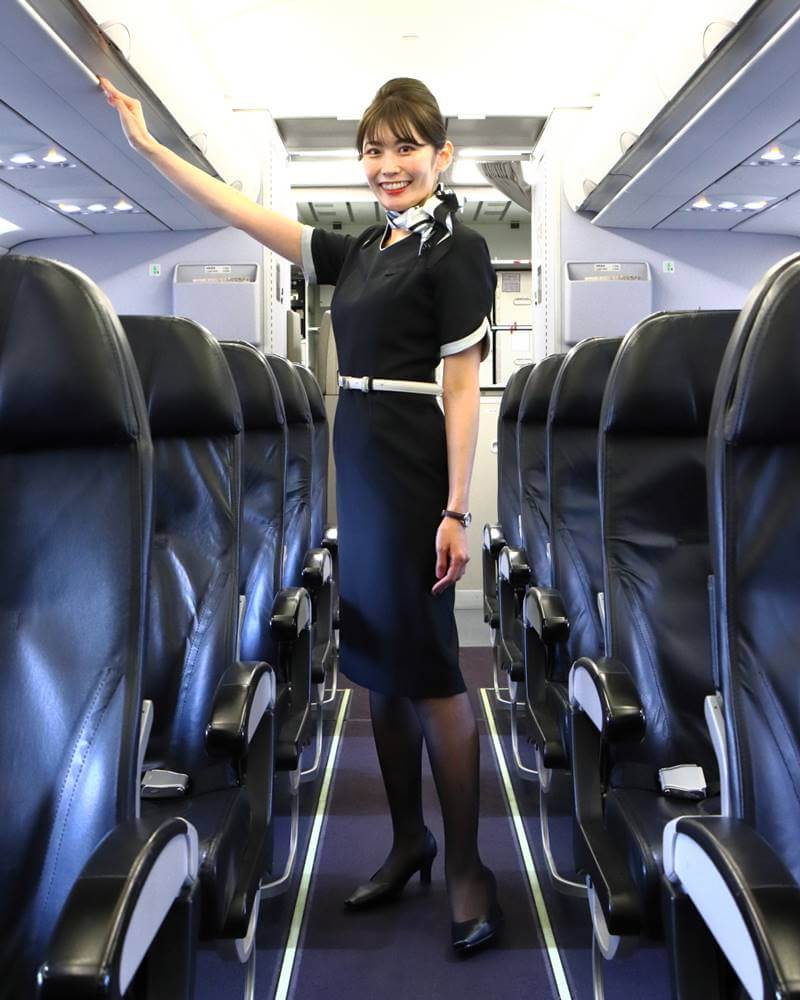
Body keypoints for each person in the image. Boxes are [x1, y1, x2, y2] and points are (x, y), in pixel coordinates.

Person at [100, 73, 502, 954]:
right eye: (374, 149)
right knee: (376, 665)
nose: (388, 165)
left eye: (406, 148)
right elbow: (246, 213)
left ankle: (470, 871)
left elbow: (463, 388)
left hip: (407, 452)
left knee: (433, 671)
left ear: (442, 156)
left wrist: (455, 509)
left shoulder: (457, 251)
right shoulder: (361, 252)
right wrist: (150, 148)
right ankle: (408, 841)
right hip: (354, 450)